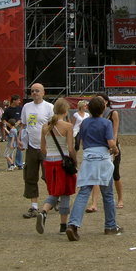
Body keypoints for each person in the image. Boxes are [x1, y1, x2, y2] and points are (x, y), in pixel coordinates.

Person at [66, 96, 123, 241]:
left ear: (89, 109)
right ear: (103, 109)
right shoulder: (105, 123)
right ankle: (110, 225)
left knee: (84, 192)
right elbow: (110, 142)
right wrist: (115, 150)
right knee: (108, 194)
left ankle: (73, 224)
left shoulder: (84, 123)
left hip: (89, 157)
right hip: (103, 159)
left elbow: (81, 138)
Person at [35, 98, 77, 235]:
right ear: (65, 111)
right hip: (62, 162)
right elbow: (70, 148)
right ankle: (53, 217)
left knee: (55, 190)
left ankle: (51, 217)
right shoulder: (67, 126)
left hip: (49, 161)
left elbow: (42, 148)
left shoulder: (45, 126)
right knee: (64, 192)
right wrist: (74, 161)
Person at [20, 83, 54, 218]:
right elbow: (23, 125)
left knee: (48, 176)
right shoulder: (26, 107)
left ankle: (53, 199)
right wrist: (20, 138)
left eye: (37, 91)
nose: (35, 93)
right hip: (31, 147)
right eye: (32, 91)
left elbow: (54, 127)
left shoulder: (49, 107)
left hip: (47, 148)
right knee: (30, 175)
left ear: (43, 92)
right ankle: (34, 206)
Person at [86, 93, 123, 212]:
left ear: (106, 102)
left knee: (115, 175)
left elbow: (115, 131)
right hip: (100, 148)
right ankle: (94, 204)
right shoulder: (94, 116)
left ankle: (120, 199)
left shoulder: (113, 113)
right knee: (97, 176)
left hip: (112, 147)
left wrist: (113, 146)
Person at [2, 95, 24, 169]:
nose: (19, 102)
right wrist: (10, 125)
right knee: (10, 147)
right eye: (18, 100)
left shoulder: (20, 108)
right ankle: (10, 164)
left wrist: (19, 121)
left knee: (19, 147)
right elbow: (4, 119)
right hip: (10, 131)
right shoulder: (7, 110)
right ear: (14, 100)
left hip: (19, 130)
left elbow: (23, 117)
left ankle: (19, 164)